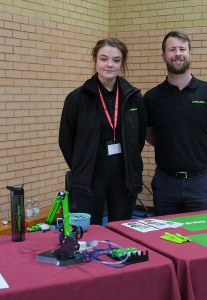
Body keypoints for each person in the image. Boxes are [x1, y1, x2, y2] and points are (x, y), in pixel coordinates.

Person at [59, 38, 147, 225]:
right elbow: (66, 140)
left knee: (122, 229)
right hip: (90, 176)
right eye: (104, 59)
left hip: (124, 175)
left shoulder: (134, 98)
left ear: (122, 63)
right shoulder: (77, 98)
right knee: (90, 232)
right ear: (95, 61)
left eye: (116, 60)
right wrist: (80, 165)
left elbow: (138, 137)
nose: (109, 64)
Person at [144, 31, 207, 216]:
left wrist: (201, 150)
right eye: (172, 49)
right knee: (164, 239)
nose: (178, 53)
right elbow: (148, 134)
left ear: (189, 53)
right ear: (164, 55)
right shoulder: (152, 97)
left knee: (202, 239)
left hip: (201, 182)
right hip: (165, 182)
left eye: (182, 48)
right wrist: (171, 146)